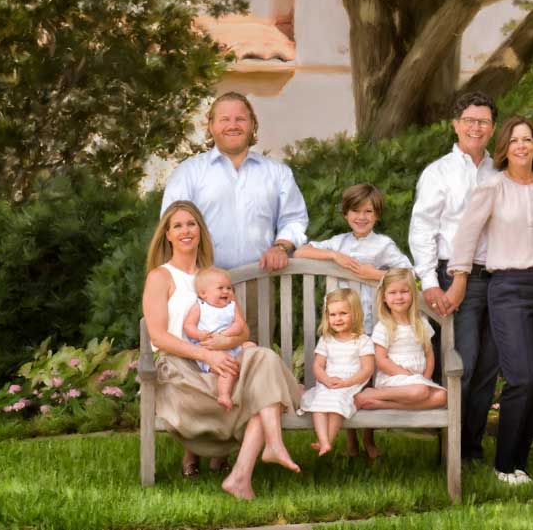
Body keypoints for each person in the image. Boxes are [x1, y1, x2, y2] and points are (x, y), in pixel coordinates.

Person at [448, 115, 533, 485]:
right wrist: (458, 279)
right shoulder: (492, 187)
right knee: (520, 376)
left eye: (528, 139)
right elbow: (466, 240)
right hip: (507, 288)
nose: (522, 145)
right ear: (505, 148)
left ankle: (521, 463)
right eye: (514, 140)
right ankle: (503, 466)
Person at [141, 201, 300, 500]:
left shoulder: (215, 276)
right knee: (269, 392)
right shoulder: (160, 277)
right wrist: (207, 354)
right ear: (167, 235)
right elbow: (159, 337)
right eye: (177, 226)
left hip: (224, 363)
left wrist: (224, 346)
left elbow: (242, 330)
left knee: (263, 357)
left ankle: (243, 473)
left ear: (200, 230)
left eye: (191, 224)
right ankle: (268, 445)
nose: (186, 231)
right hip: (181, 371)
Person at [407, 91, 500, 463]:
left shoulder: (500, 171)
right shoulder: (439, 172)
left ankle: (471, 448)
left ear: (492, 128)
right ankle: (451, 450)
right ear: (456, 125)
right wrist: (429, 281)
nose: (475, 127)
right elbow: (422, 228)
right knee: (463, 362)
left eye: (483, 121)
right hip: (454, 276)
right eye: (469, 120)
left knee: (490, 365)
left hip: (499, 277)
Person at [162, 92, 309, 273]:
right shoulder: (188, 173)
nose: (233, 125)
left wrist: (280, 248)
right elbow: (171, 225)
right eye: (224, 119)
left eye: (240, 119)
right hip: (201, 283)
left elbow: (294, 219)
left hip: (259, 280)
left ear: (253, 124)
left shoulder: (278, 173)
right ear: (211, 126)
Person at [296, 183, 412, 338]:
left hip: (368, 325)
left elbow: (409, 273)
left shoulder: (383, 245)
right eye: (355, 211)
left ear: (376, 215)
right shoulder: (338, 242)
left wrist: (374, 274)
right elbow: (300, 252)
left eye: (368, 211)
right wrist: (334, 256)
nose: (361, 217)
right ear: (345, 214)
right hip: (337, 322)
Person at [355, 268, 447, 411]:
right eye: (392, 292)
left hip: (418, 380)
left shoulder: (421, 323)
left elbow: (429, 355)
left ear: (412, 294)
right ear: (384, 297)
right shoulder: (385, 326)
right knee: (421, 391)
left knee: (442, 396)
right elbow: (381, 360)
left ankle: (384, 404)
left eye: (404, 291)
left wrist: (425, 378)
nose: (399, 297)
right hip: (393, 379)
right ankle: (376, 393)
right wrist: (408, 376)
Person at [300, 287, 375, 456]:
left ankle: (328, 440)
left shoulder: (362, 341)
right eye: (332, 315)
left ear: (355, 314)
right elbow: (317, 366)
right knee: (319, 403)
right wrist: (325, 380)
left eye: (343, 313)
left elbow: (367, 369)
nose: (337, 319)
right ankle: (323, 441)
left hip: (352, 383)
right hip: (329, 382)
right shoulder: (326, 340)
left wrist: (347, 383)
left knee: (336, 405)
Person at [182, 266, 254, 411]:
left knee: (251, 346)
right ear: (203, 293)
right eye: (220, 288)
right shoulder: (199, 307)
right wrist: (199, 334)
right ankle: (224, 395)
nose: (226, 291)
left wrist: (226, 335)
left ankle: (249, 380)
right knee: (227, 369)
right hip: (210, 350)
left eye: (229, 288)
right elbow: (188, 326)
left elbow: (240, 324)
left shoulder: (231, 306)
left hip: (230, 344)